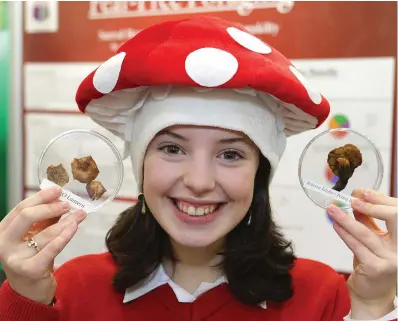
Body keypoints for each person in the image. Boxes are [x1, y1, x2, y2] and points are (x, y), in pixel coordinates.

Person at [0, 15, 396, 321]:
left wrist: (375, 305)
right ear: (140, 164)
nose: (199, 182)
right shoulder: (71, 288)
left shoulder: (324, 296)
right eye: (172, 147)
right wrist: (25, 299)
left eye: (230, 154)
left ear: (261, 172)